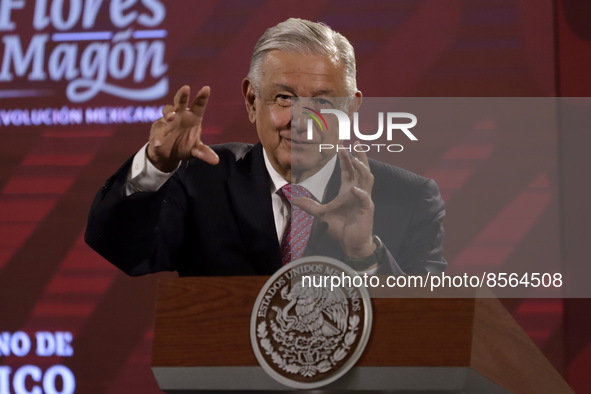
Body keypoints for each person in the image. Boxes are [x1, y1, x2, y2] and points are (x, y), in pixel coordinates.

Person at [85, 18, 446, 277]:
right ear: (251, 100)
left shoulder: (409, 197)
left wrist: (365, 255)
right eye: (284, 98)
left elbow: (433, 329)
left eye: (323, 103)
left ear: (351, 109)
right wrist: (154, 166)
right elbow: (125, 252)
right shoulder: (200, 182)